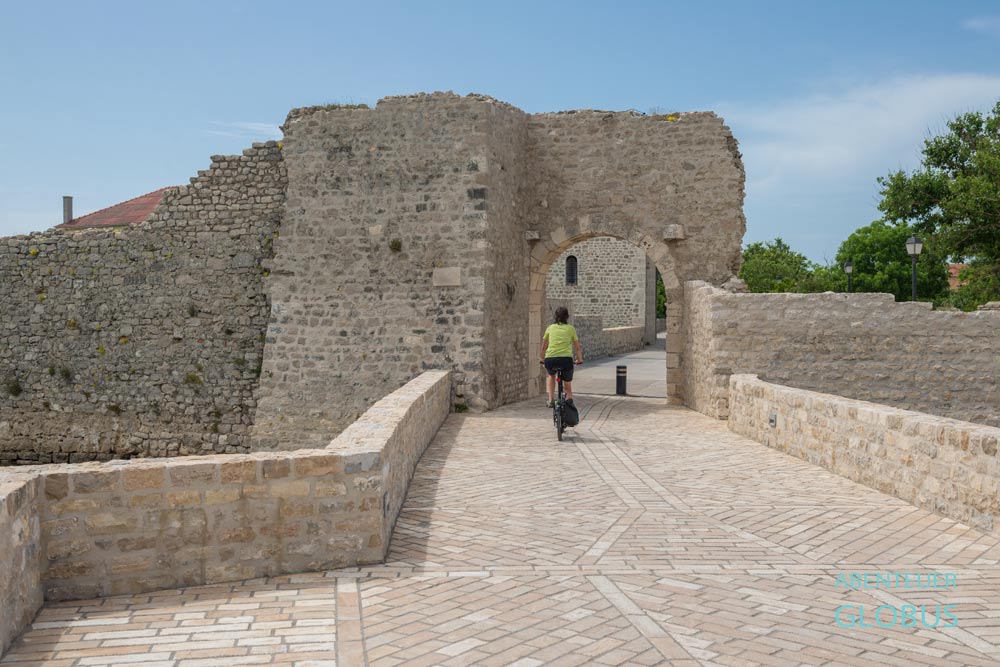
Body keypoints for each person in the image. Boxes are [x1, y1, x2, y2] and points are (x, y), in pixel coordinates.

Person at [539, 306, 583, 407]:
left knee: (551, 376)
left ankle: (551, 400)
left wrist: (541, 359)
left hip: (550, 359)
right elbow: (577, 348)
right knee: (567, 382)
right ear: (567, 317)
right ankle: (569, 399)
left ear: (555, 316)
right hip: (566, 360)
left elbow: (543, 347)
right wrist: (579, 359)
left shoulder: (550, 328)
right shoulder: (571, 329)